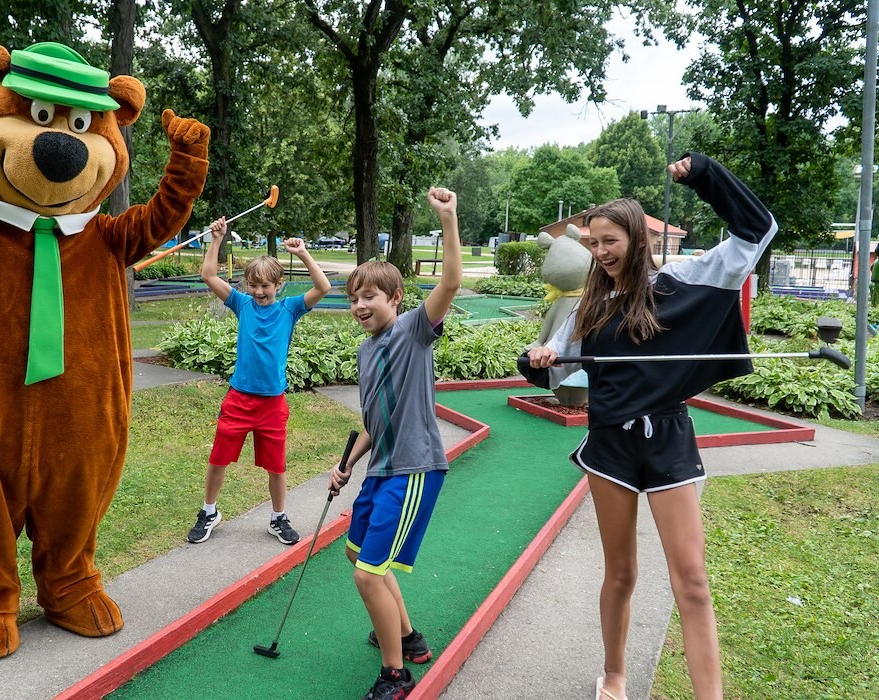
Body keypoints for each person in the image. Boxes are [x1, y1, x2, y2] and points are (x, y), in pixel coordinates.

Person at [523, 153, 777, 700]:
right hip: (609, 443)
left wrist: (705, 174)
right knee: (621, 574)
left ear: (637, 238)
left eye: (608, 241)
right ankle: (614, 676)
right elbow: (554, 361)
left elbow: (759, 229)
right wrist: (538, 356)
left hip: (668, 439)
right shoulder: (589, 305)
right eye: (592, 243)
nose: (599, 253)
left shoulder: (687, 278)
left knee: (693, 582)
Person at [330, 187, 461, 700]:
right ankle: (407, 636)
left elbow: (450, 281)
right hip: (380, 466)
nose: (360, 305)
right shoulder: (366, 352)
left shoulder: (413, 331)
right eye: (354, 297)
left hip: (413, 469)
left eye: (370, 297)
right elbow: (373, 421)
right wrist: (347, 465)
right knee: (357, 554)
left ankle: (395, 675)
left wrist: (447, 219)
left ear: (395, 300)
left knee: (368, 576)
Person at [186, 219, 333, 546]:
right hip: (239, 400)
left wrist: (304, 253)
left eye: (266, 285)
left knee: (276, 466)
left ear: (279, 285)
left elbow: (323, 287)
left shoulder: (290, 308)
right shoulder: (241, 303)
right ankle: (209, 511)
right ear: (247, 285)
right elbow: (209, 275)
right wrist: (216, 239)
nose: (259, 291)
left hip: (272, 404)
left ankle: (278, 518)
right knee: (218, 458)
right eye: (253, 285)